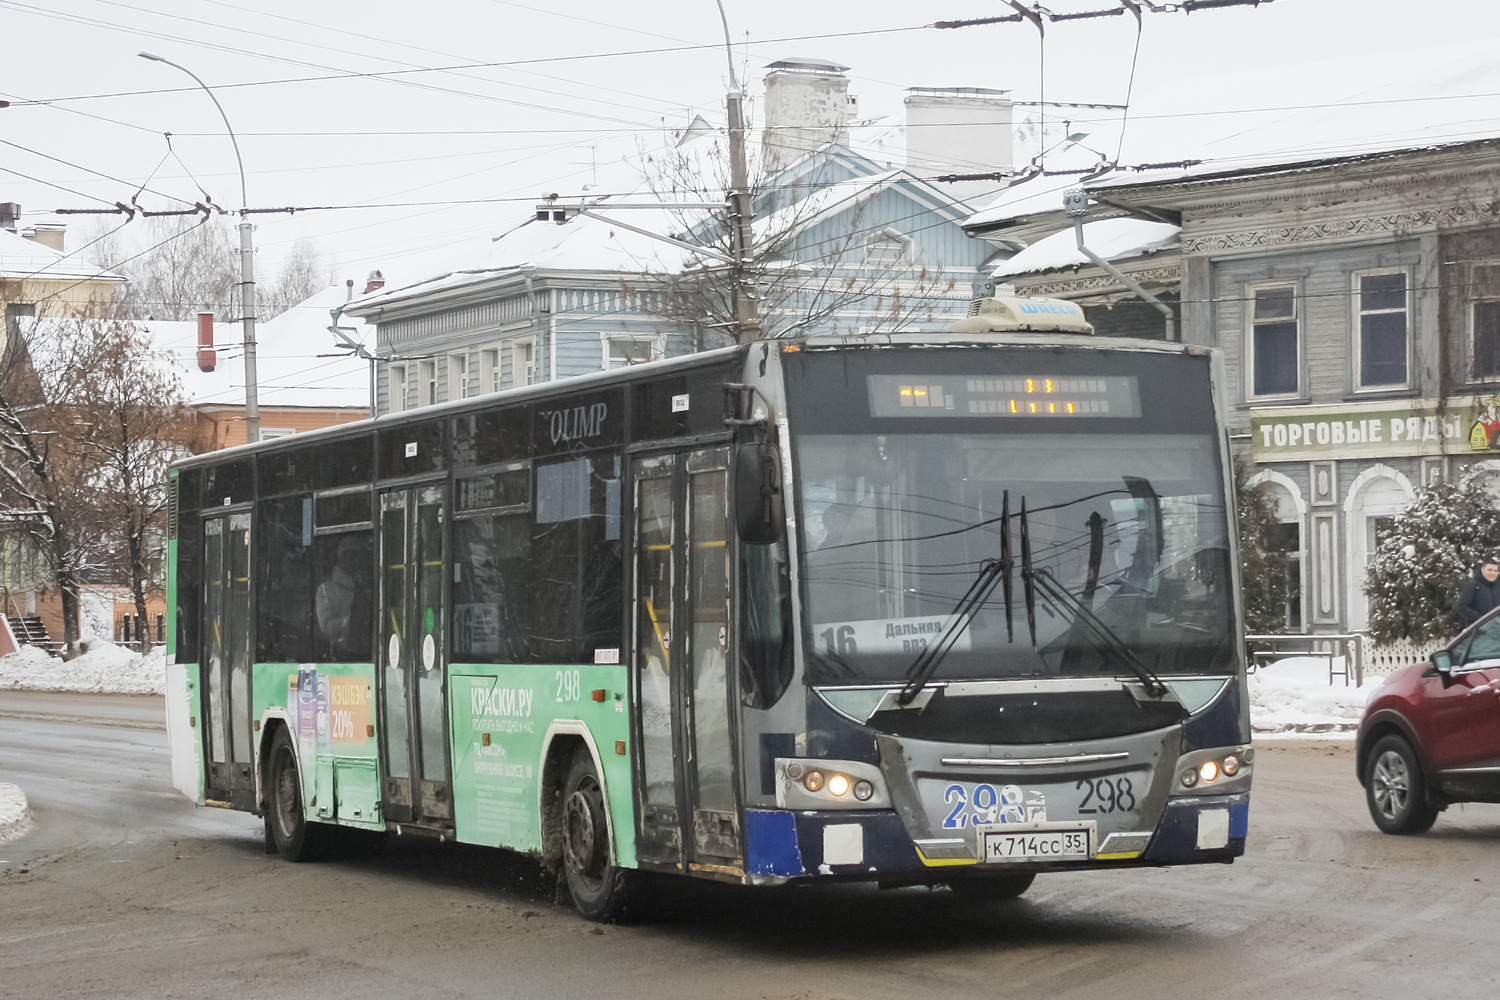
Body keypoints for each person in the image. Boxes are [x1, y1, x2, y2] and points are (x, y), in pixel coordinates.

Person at [1456, 558, 1500, 628]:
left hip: (1496, 631)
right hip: (1479, 632)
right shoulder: (1472, 585)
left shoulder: (1498, 586)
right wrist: (1483, 619)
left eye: (1495, 571)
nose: (1493, 573)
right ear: (1482, 570)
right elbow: (1462, 608)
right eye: (1489, 570)